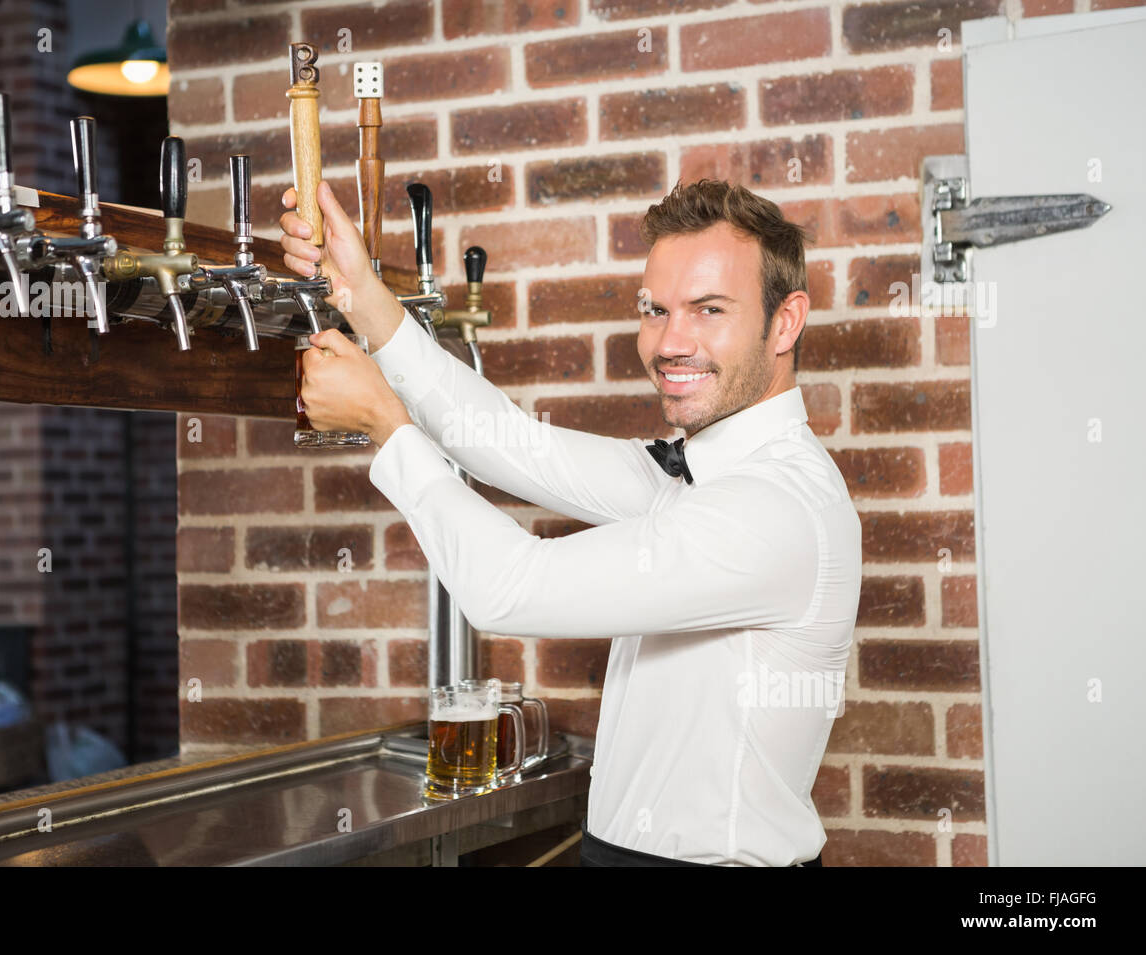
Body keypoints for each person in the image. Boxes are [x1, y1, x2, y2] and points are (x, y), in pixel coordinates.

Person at [278, 177, 861, 867]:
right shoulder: (699, 470)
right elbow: (512, 442)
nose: (671, 342)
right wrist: (364, 298)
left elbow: (512, 586)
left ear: (785, 321)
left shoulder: (773, 506)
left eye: (708, 310)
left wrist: (386, 425)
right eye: (656, 310)